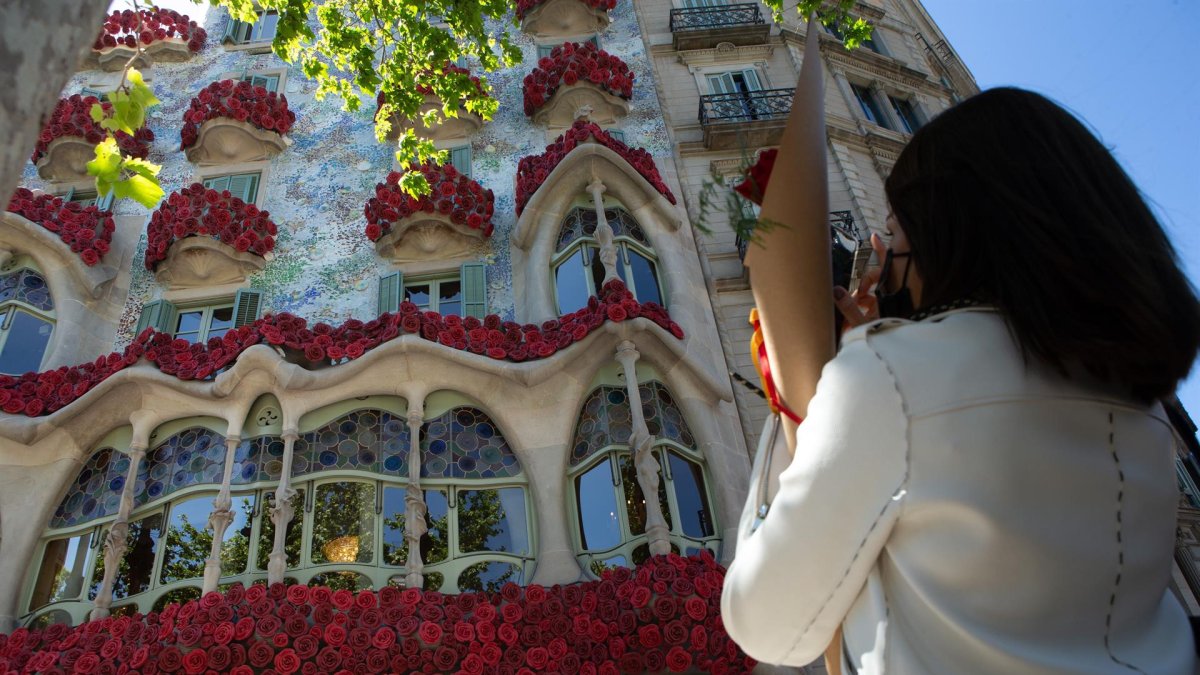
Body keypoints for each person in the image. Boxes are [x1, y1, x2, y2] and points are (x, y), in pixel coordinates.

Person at [720, 85, 1200, 673]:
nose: (883, 255)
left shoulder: (887, 375)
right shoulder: (1140, 396)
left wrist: (804, 393)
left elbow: (766, 623)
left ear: (949, 231)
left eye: (893, 235)